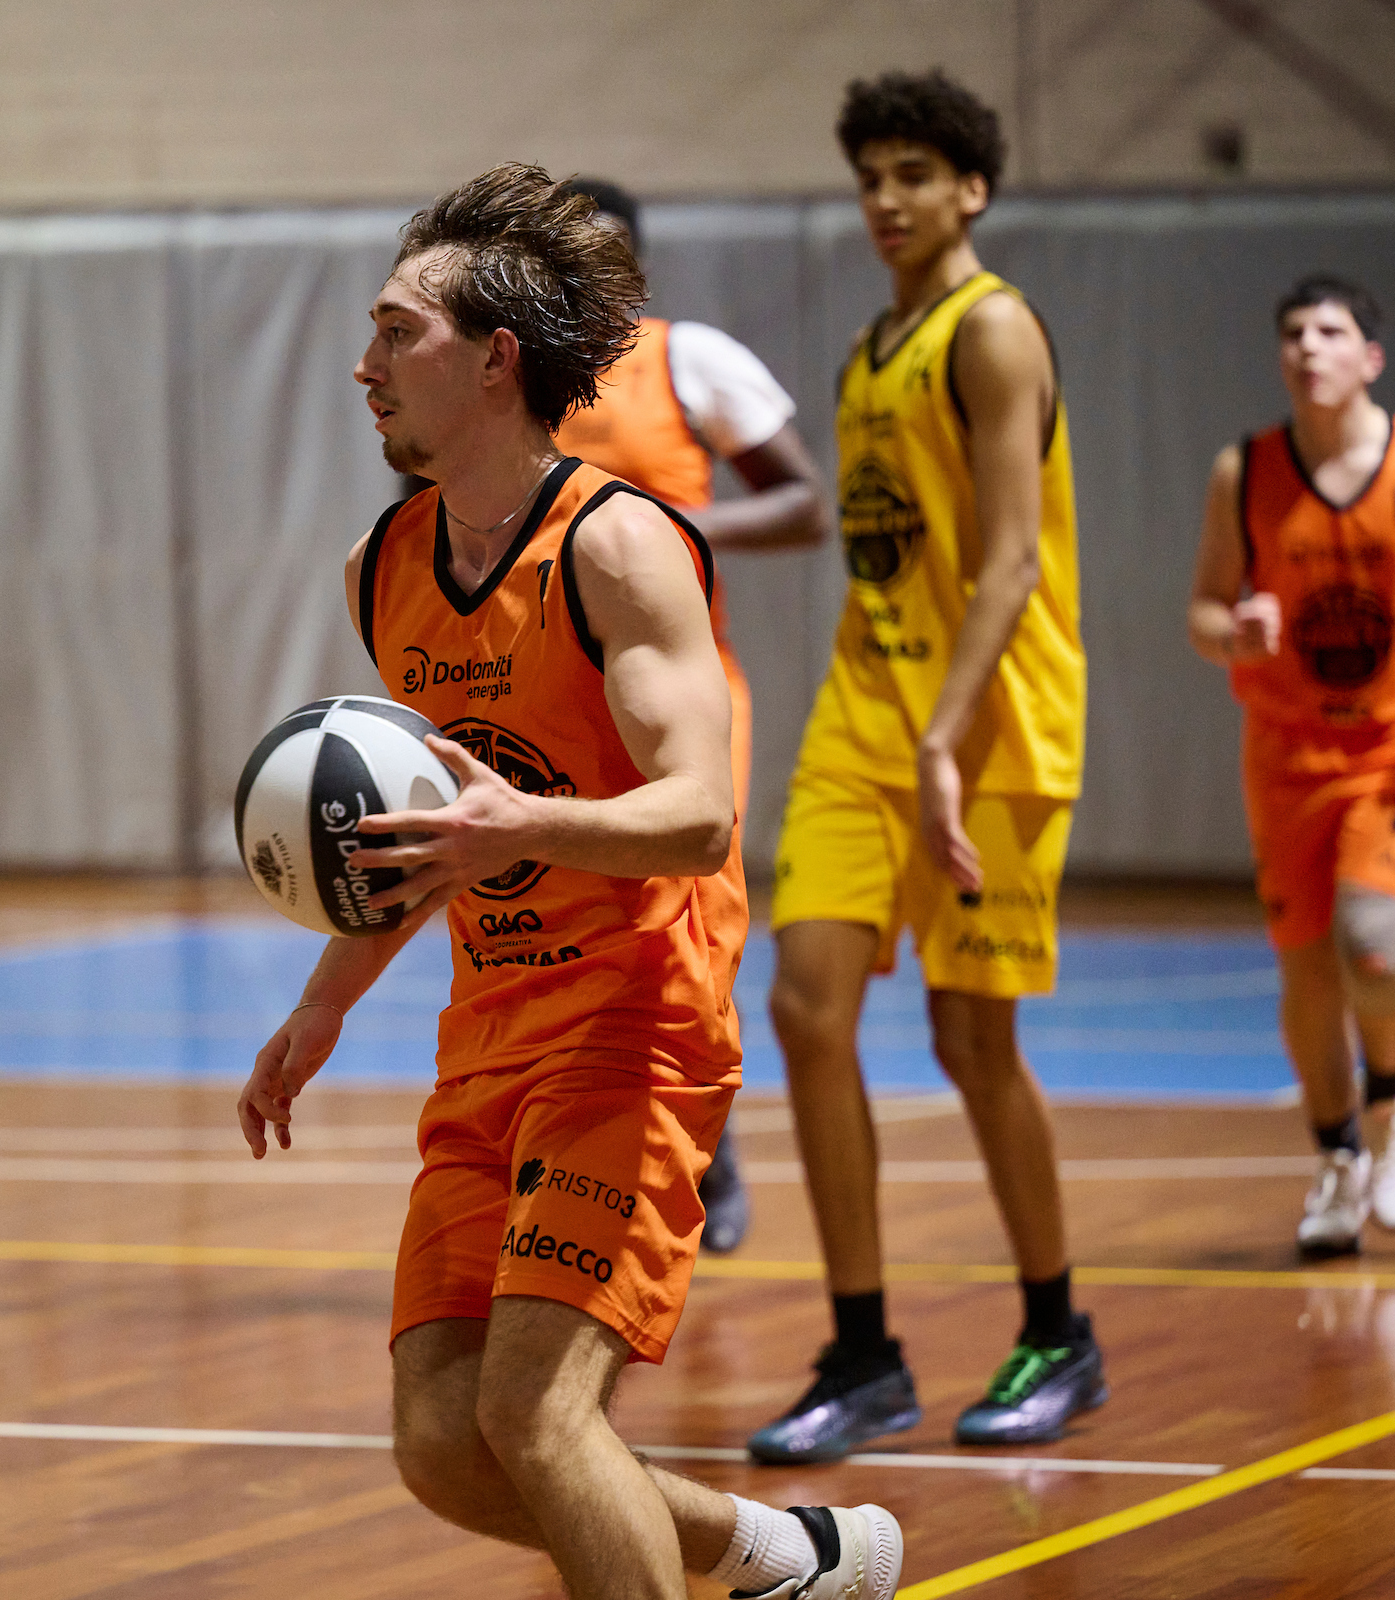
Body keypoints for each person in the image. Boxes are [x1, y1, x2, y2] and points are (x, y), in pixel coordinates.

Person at [237, 165, 902, 1600]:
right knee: (440, 1440)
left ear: (495, 361)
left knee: (538, 1413)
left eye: (395, 333)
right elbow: (428, 838)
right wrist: (320, 1008)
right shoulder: (383, 565)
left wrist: (517, 831)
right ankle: (790, 1558)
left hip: (635, 1031)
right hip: (490, 1038)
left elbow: (700, 815)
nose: (365, 367)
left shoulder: (618, 544)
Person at [747, 71, 1106, 1465]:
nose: (886, 202)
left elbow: (1012, 558)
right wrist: (893, 727)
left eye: (913, 175)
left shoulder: (993, 331)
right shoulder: (866, 346)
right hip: (865, 719)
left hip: (996, 727)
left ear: (973, 189)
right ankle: (861, 1352)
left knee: (973, 1042)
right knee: (804, 1008)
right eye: (869, 179)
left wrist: (949, 739)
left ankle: (1058, 1332)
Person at [1188, 274, 1395, 1257]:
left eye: (1329, 331)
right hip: (1286, 755)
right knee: (1307, 979)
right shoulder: (1243, 471)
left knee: (1374, 951)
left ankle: (1394, 1101)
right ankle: (1337, 1160)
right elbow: (1202, 611)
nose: (1307, 346)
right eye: (1292, 332)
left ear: (1370, 358)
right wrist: (1233, 632)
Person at [553, 176, 832, 1255]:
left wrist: (677, 520)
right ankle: (593, 1163)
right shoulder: (506, 380)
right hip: (544, 700)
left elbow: (807, 501)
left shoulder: (689, 360)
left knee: (687, 932)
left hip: (681, 694)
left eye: (606, 254)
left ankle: (711, 1148)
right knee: (572, 942)